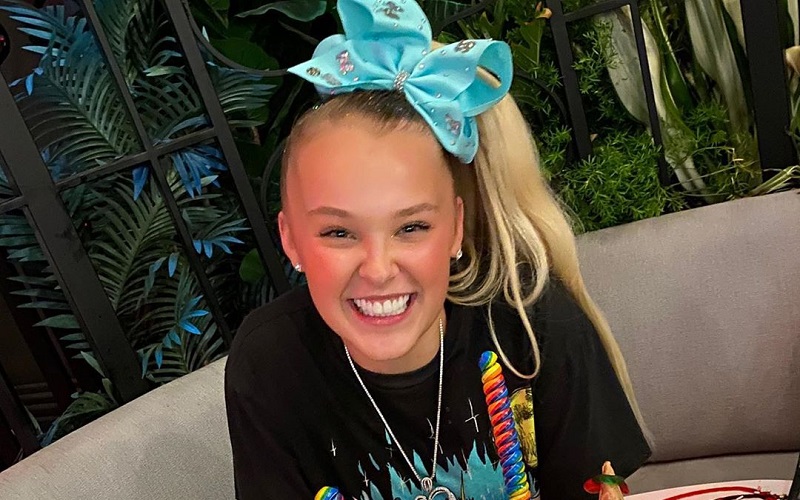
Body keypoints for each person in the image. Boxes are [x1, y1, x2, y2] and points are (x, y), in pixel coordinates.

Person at [224, 0, 652, 498]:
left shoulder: (532, 322)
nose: (378, 269)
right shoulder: (269, 367)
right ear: (290, 239)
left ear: (455, 229)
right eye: (338, 233)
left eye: (412, 227)